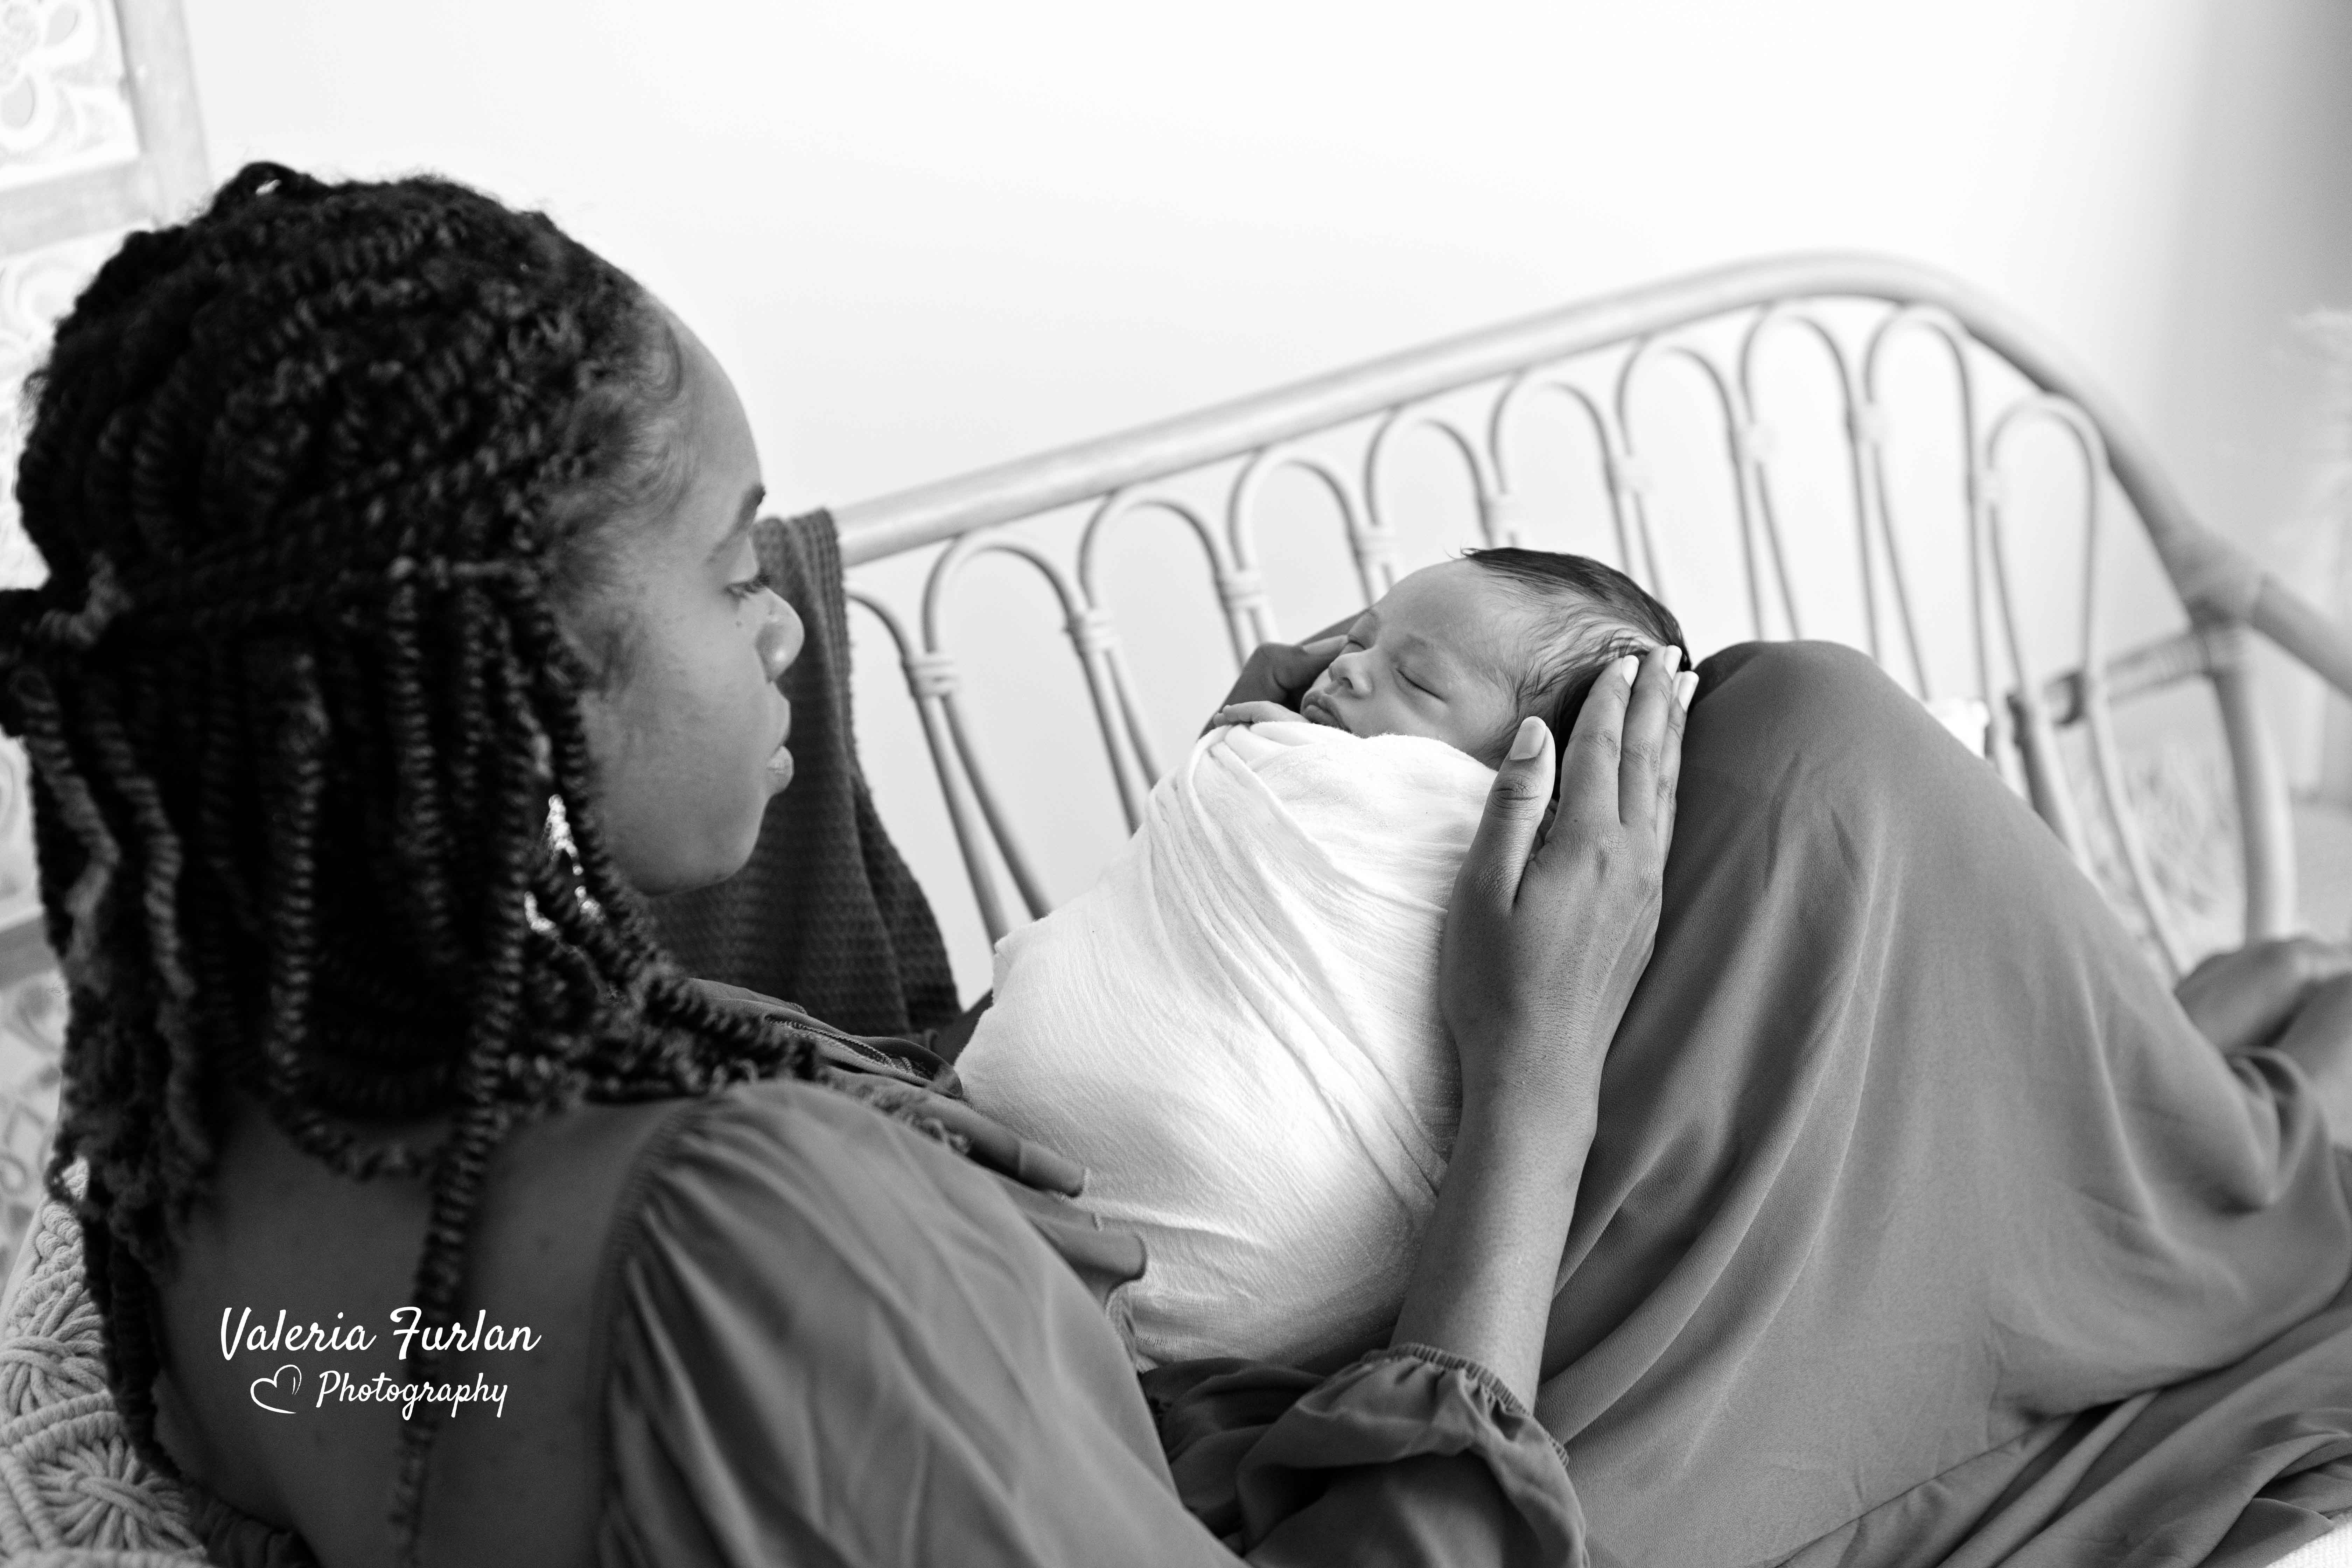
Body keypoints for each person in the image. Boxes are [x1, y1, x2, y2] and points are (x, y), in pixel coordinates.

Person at [7, 162, 2350, 1568]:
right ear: (493, 679)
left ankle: (2141, 1163)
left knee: (1819, 798)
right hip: (1361, 1485)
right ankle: (2181, 1189)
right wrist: (1531, 1086)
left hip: (1193, 1421)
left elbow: (456, 1391)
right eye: (738, 569)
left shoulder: (203, 1177)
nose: (791, 614)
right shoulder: (762, 1237)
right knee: (1824, 758)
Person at [954, 551, 1692, 1368]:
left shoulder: (1461, 817)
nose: (1345, 668)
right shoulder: (1271, 760)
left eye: (1416, 680)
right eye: (1363, 639)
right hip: (1002, 1208)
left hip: (1168, 1218)